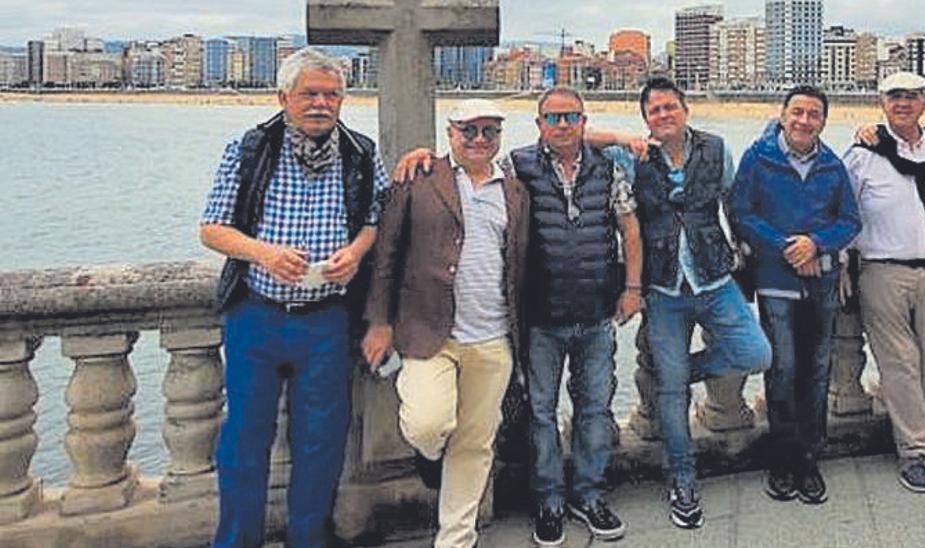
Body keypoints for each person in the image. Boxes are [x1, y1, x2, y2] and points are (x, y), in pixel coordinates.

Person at [198, 47, 390, 547]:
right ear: (284, 97)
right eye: (310, 93)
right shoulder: (250, 149)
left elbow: (375, 220)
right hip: (255, 316)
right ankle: (237, 540)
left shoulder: (362, 154)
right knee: (244, 439)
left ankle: (309, 538)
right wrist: (263, 253)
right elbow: (212, 229)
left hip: (326, 320)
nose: (321, 103)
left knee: (321, 442)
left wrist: (355, 251)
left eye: (331, 94)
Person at [595, 76, 773, 528]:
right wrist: (620, 137)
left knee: (756, 351)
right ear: (645, 119)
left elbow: (732, 204)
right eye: (654, 110)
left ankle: (678, 373)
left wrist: (745, 259)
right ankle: (682, 477)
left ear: (685, 110)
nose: (663, 115)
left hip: (714, 277)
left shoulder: (715, 148)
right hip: (662, 288)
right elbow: (569, 134)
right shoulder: (629, 155)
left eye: (670, 107)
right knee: (672, 395)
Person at [361, 99, 530, 548]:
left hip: (493, 339)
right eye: (468, 130)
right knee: (427, 423)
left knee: (475, 446)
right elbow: (386, 257)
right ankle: (430, 455)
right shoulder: (417, 179)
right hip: (429, 332)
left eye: (489, 131)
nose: (479, 139)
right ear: (450, 132)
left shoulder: (514, 190)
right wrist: (379, 321)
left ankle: (456, 539)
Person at [509, 87, 641, 546]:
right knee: (542, 413)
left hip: (596, 313)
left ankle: (589, 494)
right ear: (539, 123)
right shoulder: (518, 165)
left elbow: (630, 227)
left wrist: (633, 289)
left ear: (584, 122)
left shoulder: (608, 167)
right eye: (553, 118)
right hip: (542, 316)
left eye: (571, 117)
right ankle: (548, 500)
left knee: (594, 409)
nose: (562, 125)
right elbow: (470, 169)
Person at [842, 72, 925, 494]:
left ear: (924, 102)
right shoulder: (863, 155)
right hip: (883, 271)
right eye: (895, 96)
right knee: (899, 365)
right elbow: (845, 213)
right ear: (882, 102)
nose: (904, 103)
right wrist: (845, 263)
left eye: (912, 97)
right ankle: (914, 449)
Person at [731, 85, 860, 506]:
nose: (805, 121)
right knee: (783, 369)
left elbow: (850, 221)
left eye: (814, 115)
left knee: (818, 369)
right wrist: (790, 245)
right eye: (798, 113)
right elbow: (741, 213)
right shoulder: (758, 157)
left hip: (821, 283)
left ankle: (809, 457)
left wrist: (817, 243)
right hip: (776, 283)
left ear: (823, 120)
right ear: (783, 115)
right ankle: (782, 458)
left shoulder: (832, 165)